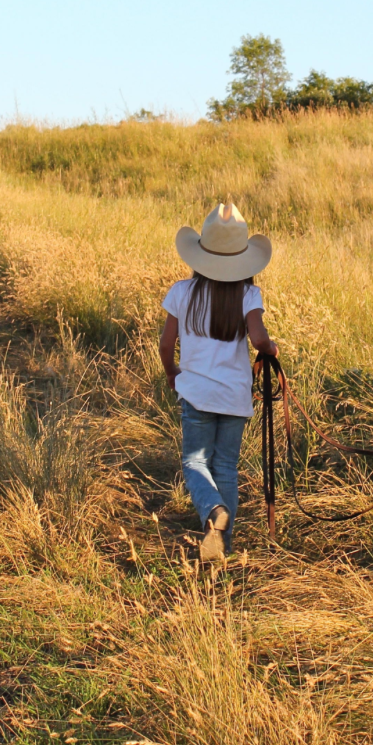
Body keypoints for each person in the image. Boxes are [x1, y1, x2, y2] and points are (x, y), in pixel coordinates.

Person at [159, 202, 278, 562]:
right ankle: (223, 545)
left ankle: (213, 510)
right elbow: (258, 339)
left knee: (195, 462)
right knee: (225, 465)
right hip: (234, 396)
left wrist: (172, 372)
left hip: (196, 393)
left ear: (201, 255)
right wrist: (271, 348)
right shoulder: (248, 295)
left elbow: (166, 344)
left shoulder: (182, 291)